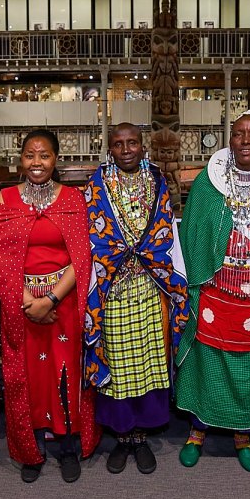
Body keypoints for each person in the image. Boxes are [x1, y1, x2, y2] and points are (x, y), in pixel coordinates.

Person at [0, 129, 98, 483]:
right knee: (27, 378)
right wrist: (28, 303)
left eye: (44, 155)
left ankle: (67, 446)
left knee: (65, 374)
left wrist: (50, 299)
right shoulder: (4, 201)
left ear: (56, 160)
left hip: (63, 303)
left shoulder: (72, 199)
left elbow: (82, 256)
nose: (37, 162)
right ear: (21, 160)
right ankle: (31, 450)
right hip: (19, 303)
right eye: (30, 155)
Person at [174, 111, 250, 472]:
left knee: (247, 365)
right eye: (239, 134)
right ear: (229, 139)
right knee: (207, 360)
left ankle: (242, 435)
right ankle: (197, 431)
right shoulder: (209, 182)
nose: (246, 140)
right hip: (214, 290)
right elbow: (193, 231)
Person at [83, 122, 189, 474]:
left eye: (132, 143)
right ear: (109, 148)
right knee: (117, 359)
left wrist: (148, 258)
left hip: (149, 283)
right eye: (118, 144)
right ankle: (122, 435)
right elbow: (92, 232)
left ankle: (140, 435)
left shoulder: (158, 179)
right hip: (112, 285)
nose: (126, 149)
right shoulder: (95, 184)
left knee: (147, 359)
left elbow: (165, 227)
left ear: (143, 147)